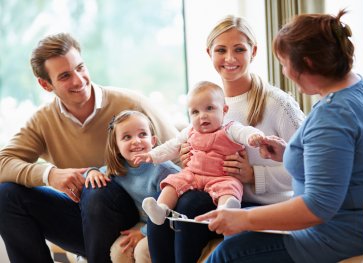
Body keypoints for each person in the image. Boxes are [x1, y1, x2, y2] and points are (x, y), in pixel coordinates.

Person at [195, 10, 363, 263]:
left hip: (340, 233)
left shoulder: (332, 116)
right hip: (359, 221)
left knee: (230, 252)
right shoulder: (362, 90)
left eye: (284, 63)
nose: (284, 72)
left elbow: (317, 206)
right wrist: (290, 153)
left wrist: (244, 218)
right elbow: (344, 162)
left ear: (309, 63)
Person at [0, 33, 178, 263]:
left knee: (96, 188)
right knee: (5, 196)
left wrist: (150, 225)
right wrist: (49, 174)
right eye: (65, 76)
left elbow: (182, 153)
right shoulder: (43, 121)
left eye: (80, 67)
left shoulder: (131, 105)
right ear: (45, 84)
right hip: (84, 218)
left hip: (136, 212)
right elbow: (4, 162)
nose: (78, 80)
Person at [146, 15, 305, 263]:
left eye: (239, 49)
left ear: (253, 51)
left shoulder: (277, 104)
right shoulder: (205, 104)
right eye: (221, 50)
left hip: (259, 204)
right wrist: (188, 159)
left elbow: (311, 167)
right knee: (168, 198)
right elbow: (195, 157)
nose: (229, 59)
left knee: (188, 206)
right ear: (209, 52)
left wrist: (254, 175)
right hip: (216, 193)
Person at [136, 81, 264, 226]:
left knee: (231, 187)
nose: (202, 116)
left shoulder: (230, 129)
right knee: (172, 183)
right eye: (195, 112)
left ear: (224, 110)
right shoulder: (189, 131)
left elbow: (245, 132)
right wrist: (151, 155)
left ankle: (225, 210)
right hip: (192, 175)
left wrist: (254, 136)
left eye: (209, 108)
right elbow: (171, 146)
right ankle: (161, 209)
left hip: (221, 177)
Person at [84, 110, 180, 263]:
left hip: (167, 223)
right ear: (116, 146)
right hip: (143, 221)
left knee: (142, 251)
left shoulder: (163, 170)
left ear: (153, 140)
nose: (136, 141)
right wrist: (92, 172)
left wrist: (143, 232)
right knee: (119, 251)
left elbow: (174, 210)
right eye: (127, 137)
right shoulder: (118, 168)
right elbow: (97, 173)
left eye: (142, 135)